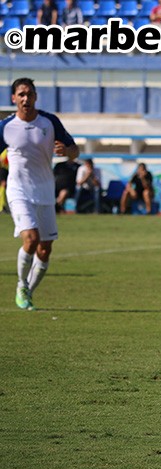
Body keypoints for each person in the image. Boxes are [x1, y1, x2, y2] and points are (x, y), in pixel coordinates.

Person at [0, 78, 79, 311]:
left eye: (30, 94)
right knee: (31, 239)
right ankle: (21, 284)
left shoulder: (50, 122)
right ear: (14, 98)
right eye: (21, 94)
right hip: (18, 190)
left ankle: (28, 292)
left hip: (45, 191)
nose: (26, 98)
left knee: (45, 249)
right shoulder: (5, 127)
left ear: (35, 97)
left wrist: (67, 151)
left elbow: (75, 151)